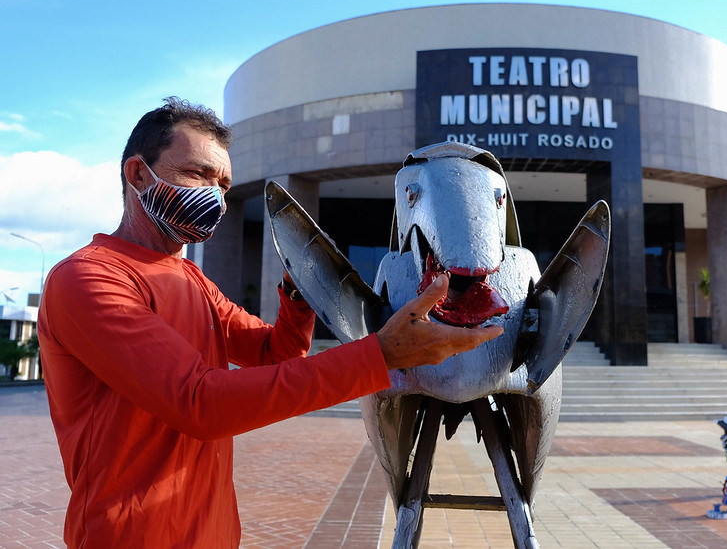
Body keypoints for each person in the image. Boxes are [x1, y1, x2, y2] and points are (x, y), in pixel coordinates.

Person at [37, 97, 503, 548]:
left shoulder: (190, 278)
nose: (215, 197)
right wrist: (383, 354)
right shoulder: (89, 279)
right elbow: (200, 403)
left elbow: (274, 354)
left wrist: (299, 294)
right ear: (139, 174)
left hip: (214, 533)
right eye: (197, 174)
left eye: (222, 184)